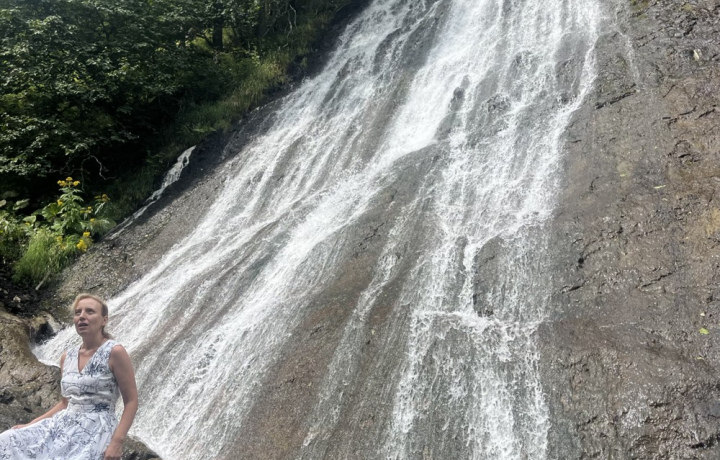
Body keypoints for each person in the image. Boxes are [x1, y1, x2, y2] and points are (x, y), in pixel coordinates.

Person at [0, 293, 138, 460]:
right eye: (78, 312)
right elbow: (65, 403)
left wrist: (117, 442)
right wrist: (30, 425)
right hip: (63, 425)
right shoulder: (67, 356)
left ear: (104, 320)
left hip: (97, 430)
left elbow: (131, 401)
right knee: (7, 439)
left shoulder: (114, 352)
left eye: (90, 311)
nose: (82, 316)